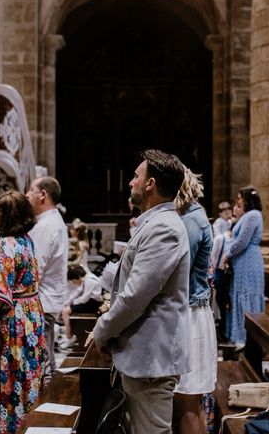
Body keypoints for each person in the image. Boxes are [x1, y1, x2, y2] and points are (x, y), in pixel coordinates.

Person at [93, 149, 190, 434]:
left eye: (136, 176)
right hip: (144, 354)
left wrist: (102, 329)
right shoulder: (154, 223)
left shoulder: (164, 228)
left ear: (151, 184)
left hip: (151, 357)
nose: (130, 182)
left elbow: (135, 296)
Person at [0, 191, 46, 434]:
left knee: (3, 378)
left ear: (7, 216)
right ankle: (24, 425)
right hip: (30, 316)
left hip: (10, 322)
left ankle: (2, 428)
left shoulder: (4, 246)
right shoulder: (26, 240)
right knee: (24, 374)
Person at [173, 168, 217, 434]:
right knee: (190, 402)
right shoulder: (192, 215)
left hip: (190, 312)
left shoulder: (190, 221)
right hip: (193, 310)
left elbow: (177, 271)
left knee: (187, 402)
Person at [26, 176, 68, 380]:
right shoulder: (52, 220)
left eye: (31, 190)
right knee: (46, 357)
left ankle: (44, 406)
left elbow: (35, 270)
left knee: (41, 361)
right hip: (48, 300)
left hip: (41, 301)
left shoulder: (45, 226)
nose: (27, 194)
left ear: (43, 195)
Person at [220, 186, 265, 346]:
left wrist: (227, 254)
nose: (238, 200)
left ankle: (247, 337)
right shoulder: (247, 215)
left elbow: (243, 240)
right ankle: (238, 334)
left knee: (247, 293)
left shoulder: (253, 215)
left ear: (247, 200)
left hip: (249, 259)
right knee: (239, 293)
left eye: (240, 198)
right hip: (241, 260)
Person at [59, 263, 103, 349]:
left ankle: (69, 337)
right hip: (89, 303)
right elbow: (78, 291)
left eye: (74, 281)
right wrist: (68, 302)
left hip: (93, 304)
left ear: (78, 276)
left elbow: (84, 299)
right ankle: (70, 335)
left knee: (65, 312)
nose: (75, 283)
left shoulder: (90, 280)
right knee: (66, 310)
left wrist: (72, 303)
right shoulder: (87, 278)